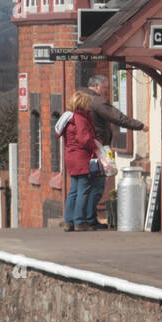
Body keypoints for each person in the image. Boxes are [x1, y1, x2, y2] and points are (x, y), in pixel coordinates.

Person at [78, 74, 147, 228]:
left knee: (85, 185)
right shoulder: (97, 101)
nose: (107, 91)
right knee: (97, 184)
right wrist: (141, 126)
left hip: (87, 149)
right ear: (96, 86)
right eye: (105, 88)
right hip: (100, 148)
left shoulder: (81, 99)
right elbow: (118, 117)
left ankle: (81, 219)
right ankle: (89, 219)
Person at [63, 91, 104, 232]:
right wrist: (97, 145)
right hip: (81, 157)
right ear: (82, 103)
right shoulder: (80, 118)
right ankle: (80, 221)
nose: (89, 106)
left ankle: (69, 221)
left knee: (73, 191)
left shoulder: (69, 117)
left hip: (71, 156)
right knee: (84, 190)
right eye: (87, 103)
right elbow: (84, 138)